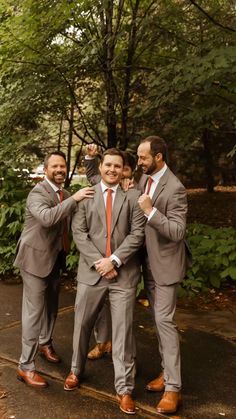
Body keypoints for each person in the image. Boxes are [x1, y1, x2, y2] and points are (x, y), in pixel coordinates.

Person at [64, 148, 145, 415]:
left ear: (124, 170)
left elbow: (137, 234)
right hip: (91, 272)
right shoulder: (86, 196)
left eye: (117, 166)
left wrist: (115, 261)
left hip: (123, 274)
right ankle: (75, 371)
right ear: (100, 168)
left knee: (123, 333)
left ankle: (124, 389)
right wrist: (100, 262)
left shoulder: (133, 197)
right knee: (82, 324)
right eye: (107, 164)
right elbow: (79, 232)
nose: (112, 169)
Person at [14, 151, 94, 388]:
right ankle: (24, 366)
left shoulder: (66, 194)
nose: (60, 170)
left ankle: (45, 343)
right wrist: (74, 199)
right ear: (46, 169)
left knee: (51, 307)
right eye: (55, 166)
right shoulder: (37, 193)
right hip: (34, 260)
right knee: (33, 312)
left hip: (56, 258)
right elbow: (48, 218)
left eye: (63, 166)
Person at [137, 136, 191, 414]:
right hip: (147, 264)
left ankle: (174, 389)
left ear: (158, 157)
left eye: (143, 157)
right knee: (158, 323)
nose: (139, 162)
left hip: (167, 266)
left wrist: (150, 211)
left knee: (165, 322)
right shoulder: (145, 180)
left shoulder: (176, 188)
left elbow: (178, 232)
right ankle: (165, 372)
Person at [84, 144, 137, 360]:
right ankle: (102, 342)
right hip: (99, 263)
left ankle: (122, 351)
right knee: (100, 309)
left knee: (123, 313)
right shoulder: (99, 184)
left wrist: (115, 261)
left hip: (125, 262)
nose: (118, 172)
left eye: (123, 169)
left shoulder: (133, 190)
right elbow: (91, 174)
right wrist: (89, 156)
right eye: (111, 166)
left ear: (130, 170)